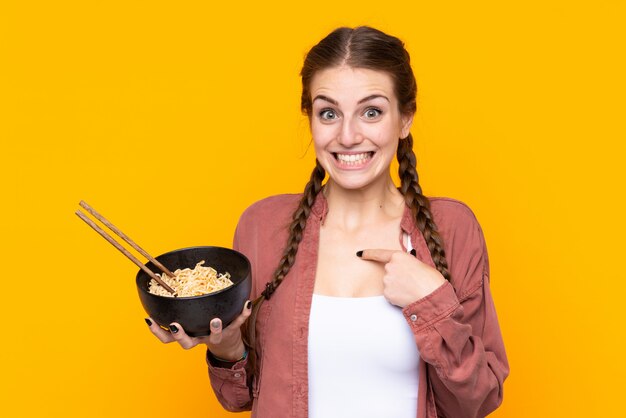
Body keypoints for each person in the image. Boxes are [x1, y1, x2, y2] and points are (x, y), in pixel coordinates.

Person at [146, 26, 509, 418]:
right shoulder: (262, 227)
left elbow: (478, 401)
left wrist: (432, 301)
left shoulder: (452, 228)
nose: (348, 135)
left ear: (405, 119)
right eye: (329, 113)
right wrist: (226, 345)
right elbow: (240, 398)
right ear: (311, 119)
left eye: (372, 112)